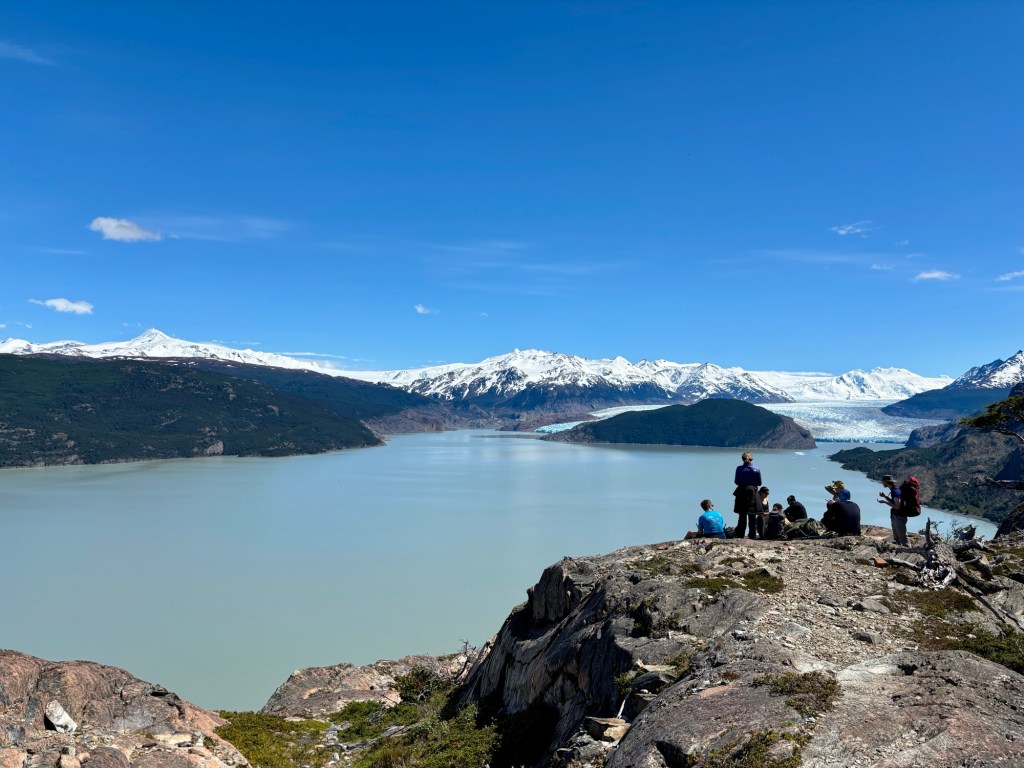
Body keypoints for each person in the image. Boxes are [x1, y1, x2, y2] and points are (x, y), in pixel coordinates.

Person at [733, 451, 762, 539]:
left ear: (742, 459)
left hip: (741, 491)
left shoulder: (738, 468)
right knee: (752, 515)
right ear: (751, 459)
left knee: (742, 515)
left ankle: (740, 534)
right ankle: (752, 535)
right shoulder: (756, 468)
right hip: (752, 491)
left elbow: (736, 481)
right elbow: (759, 483)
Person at [877, 474, 908, 546]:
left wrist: (884, 502)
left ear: (886, 482)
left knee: (903, 539)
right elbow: (894, 502)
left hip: (899, 517)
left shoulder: (895, 492)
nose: (882, 483)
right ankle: (900, 550)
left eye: (883, 482)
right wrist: (885, 496)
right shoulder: (895, 490)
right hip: (896, 516)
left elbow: (897, 506)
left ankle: (908, 550)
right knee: (897, 537)